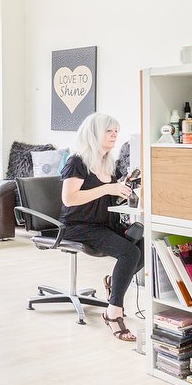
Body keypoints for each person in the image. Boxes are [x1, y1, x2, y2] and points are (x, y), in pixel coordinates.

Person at [60, 112, 143, 342]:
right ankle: (113, 313)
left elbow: (108, 199)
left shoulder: (109, 164)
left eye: (116, 131)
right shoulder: (77, 162)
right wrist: (108, 189)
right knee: (130, 252)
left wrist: (123, 189)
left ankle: (114, 284)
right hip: (79, 226)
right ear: (94, 133)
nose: (114, 135)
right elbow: (69, 198)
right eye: (109, 131)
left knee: (144, 246)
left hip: (104, 223)